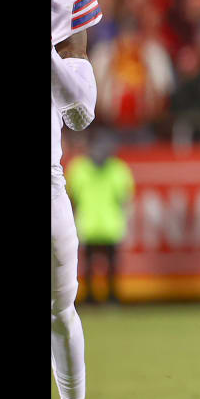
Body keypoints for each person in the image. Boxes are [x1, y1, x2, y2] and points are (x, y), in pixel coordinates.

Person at [51, 0, 104, 399]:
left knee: (60, 309)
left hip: (49, 189)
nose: (84, 46)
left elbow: (81, 113)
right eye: (81, 32)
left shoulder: (73, 68)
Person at [66, 129, 134, 305]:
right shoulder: (118, 168)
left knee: (92, 265)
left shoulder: (79, 167)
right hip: (109, 224)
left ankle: (93, 297)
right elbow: (124, 197)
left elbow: (72, 197)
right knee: (107, 265)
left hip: (90, 224)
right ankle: (110, 297)